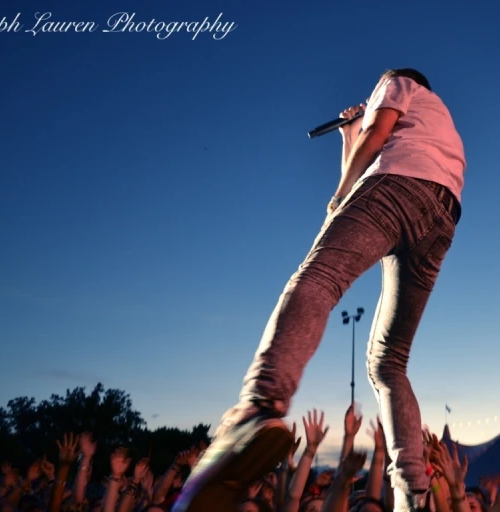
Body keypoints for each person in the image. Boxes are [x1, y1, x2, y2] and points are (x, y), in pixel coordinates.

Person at [173, 68, 466, 512]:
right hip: (443, 216)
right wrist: (352, 133)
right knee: (390, 362)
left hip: (397, 188)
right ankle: (412, 494)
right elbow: (374, 146)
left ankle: (258, 409)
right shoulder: (440, 117)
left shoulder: (396, 83)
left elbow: (377, 148)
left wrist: (339, 196)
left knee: (319, 278)